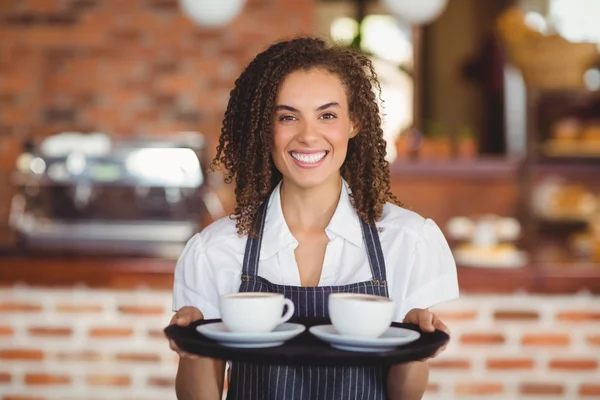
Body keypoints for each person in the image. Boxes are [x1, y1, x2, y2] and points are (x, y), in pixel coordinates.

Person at [169, 36, 459, 400]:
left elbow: (403, 396)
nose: (308, 136)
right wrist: (194, 346)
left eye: (327, 115)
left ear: (354, 122)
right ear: (264, 129)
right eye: (288, 117)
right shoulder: (215, 251)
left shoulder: (407, 241)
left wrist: (415, 351)